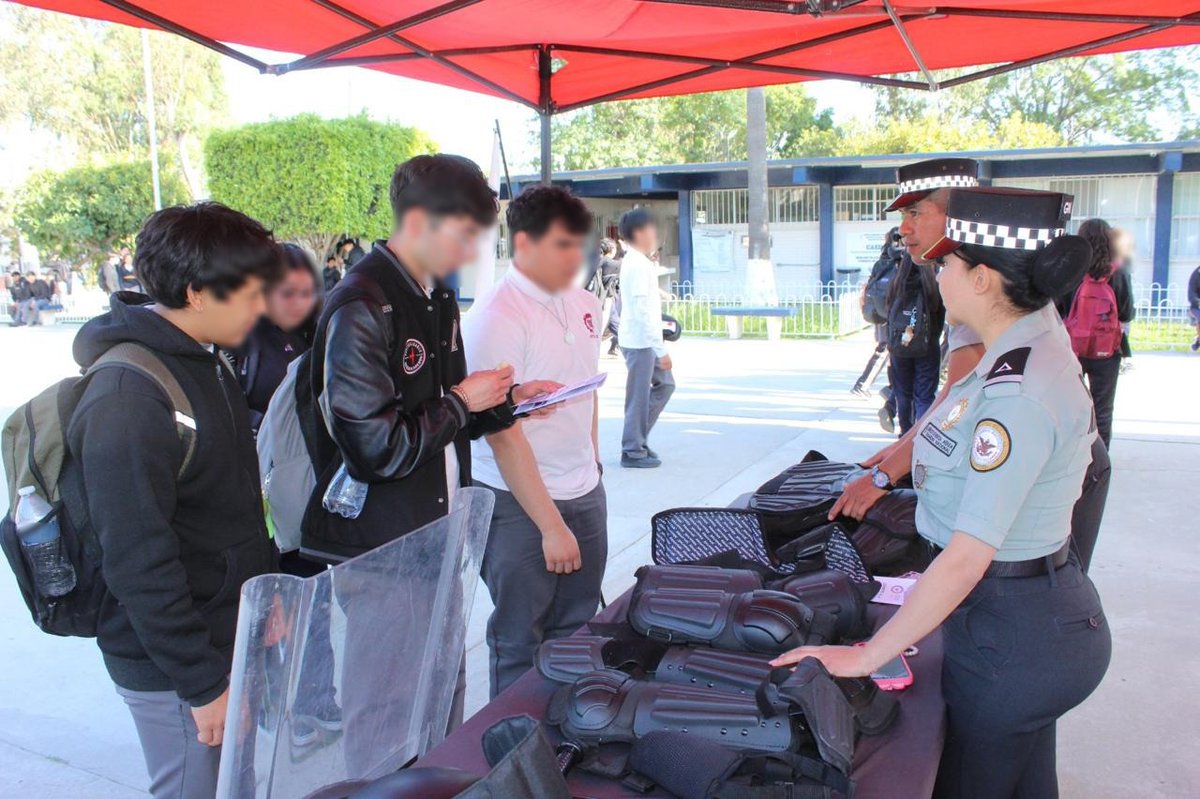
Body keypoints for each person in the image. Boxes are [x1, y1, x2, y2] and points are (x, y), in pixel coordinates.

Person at [774, 187, 1111, 799]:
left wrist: (865, 655)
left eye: (948, 262)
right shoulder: (1018, 347)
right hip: (1024, 623)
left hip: (1013, 634)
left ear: (983, 278)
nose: (937, 271)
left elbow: (966, 558)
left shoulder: (1018, 394)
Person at [304, 154, 556, 743]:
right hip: (385, 551)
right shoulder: (362, 302)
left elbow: (445, 411)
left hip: (439, 537)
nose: (470, 253)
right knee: (386, 719)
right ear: (418, 221)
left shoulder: (435, 297)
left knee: (440, 700)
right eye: (465, 235)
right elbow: (376, 448)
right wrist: (466, 402)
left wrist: (506, 398)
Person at [66, 202, 282, 799]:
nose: (262, 306)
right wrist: (200, 683)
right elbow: (137, 560)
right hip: (173, 664)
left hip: (227, 631)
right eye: (250, 291)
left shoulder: (206, 360)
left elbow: (235, 503)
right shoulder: (126, 395)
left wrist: (265, 601)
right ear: (196, 292)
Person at [834, 159, 1113, 573]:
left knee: (1026, 582)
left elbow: (952, 407)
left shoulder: (984, 294)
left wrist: (885, 474)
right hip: (1047, 450)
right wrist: (894, 453)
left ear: (956, 218)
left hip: (1052, 462)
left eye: (915, 213)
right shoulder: (975, 279)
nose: (903, 228)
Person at [463, 185, 607, 698]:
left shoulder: (586, 302)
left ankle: (568, 733)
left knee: (580, 627)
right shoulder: (495, 317)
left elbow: (589, 389)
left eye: (579, 244)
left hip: (583, 489)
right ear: (524, 244)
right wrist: (550, 525)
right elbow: (502, 435)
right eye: (562, 245)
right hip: (517, 503)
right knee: (522, 637)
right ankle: (515, 750)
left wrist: (593, 469)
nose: (576, 257)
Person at [228, 242, 322, 436]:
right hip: (262, 451)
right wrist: (265, 428)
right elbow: (225, 403)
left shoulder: (317, 330)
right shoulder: (240, 334)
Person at [1057, 218, 1133, 448]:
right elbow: (1127, 312)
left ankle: (1071, 459)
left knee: (1069, 406)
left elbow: (1057, 307)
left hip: (1072, 350)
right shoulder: (1118, 272)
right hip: (1107, 352)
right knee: (1102, 410)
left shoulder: (1071, 270)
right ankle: (1099, 467)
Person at [617, 208, 674, 468]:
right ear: (639, 233)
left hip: (642, 339)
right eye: (651, 228)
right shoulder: (637, 263)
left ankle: (637, 440)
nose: (654, 233)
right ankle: (632, 449)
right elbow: (641, 311)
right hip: (641, 342)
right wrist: (660, 349)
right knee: (639, 397)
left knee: (665, 385)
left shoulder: (639, 261)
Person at [1188, 263, 1200, 352]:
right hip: (1197, 306)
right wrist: (1197, 301)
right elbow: (1191, 293)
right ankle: (1198, 339)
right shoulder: (1197, 274)